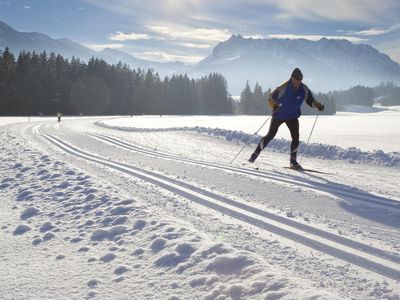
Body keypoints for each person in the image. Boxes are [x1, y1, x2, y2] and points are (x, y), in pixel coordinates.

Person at [248, 68, 324, 170]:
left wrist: (317, 105)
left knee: (296, 138)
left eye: (300, 80)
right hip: (279, 115)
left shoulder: (304, 88)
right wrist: (274, 106)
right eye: (296, 80)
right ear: (292, 78)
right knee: (270, 135)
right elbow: (271, 98)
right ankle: (254, 155)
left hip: (292, 116)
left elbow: (310, 101)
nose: (298, 82)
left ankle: (293, 162)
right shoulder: (284, 87)